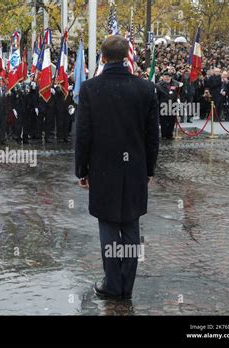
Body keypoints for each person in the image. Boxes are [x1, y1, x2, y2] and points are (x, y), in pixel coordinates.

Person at [75, 35, 159, 300]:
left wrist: (82, 169)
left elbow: (83, 134)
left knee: (109, 226)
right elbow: (152, 136)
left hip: (103, 169)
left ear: (102, 57)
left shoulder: (90, 88)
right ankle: (126, 285)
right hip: (134, 169)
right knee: (131, 226)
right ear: (126, 57)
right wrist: (149, 170)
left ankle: (113, 284)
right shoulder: (146, 89)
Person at [156, 71, 181, 139]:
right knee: (164, 121)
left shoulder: (175, 84)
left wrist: (178, 99)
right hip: (163, 106)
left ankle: (170, 135)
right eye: (166, 76)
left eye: (169, 76)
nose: (167, 78)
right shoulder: (158, 85)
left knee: (172, 121)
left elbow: (179, 93)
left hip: (173, 105)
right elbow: (156, 97)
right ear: (163, 77)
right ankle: (164, 135)